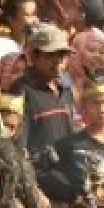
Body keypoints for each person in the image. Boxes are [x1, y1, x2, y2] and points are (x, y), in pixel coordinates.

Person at [12, 24, 76, 157]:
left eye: (62, 54)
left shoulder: (65, 89)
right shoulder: (22, 91)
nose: (58, 60)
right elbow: (19, 144)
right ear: (34, 56)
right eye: (51, 54)